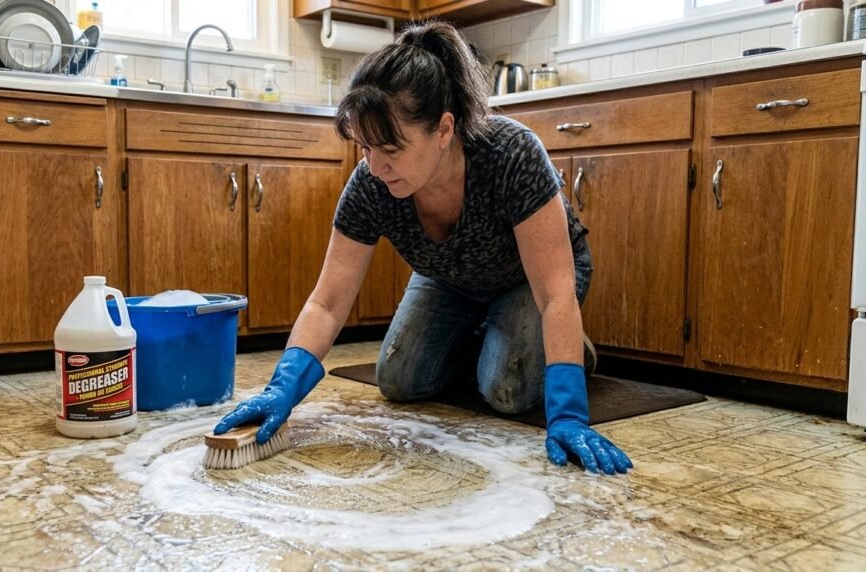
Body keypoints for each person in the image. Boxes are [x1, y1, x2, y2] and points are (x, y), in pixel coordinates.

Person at [213, 21, 632, 475]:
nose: (376, 166)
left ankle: (569, 352)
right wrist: (283, 386)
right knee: (399, 379)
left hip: (530, 282)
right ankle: (489, 337)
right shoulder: (370, 183)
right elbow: (328, 302)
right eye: (365, 148)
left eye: (390, 148)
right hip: (448, 278)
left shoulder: (511, 154)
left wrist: (568, 412)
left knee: (507, 390)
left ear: (444, 129)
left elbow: (554, 293)